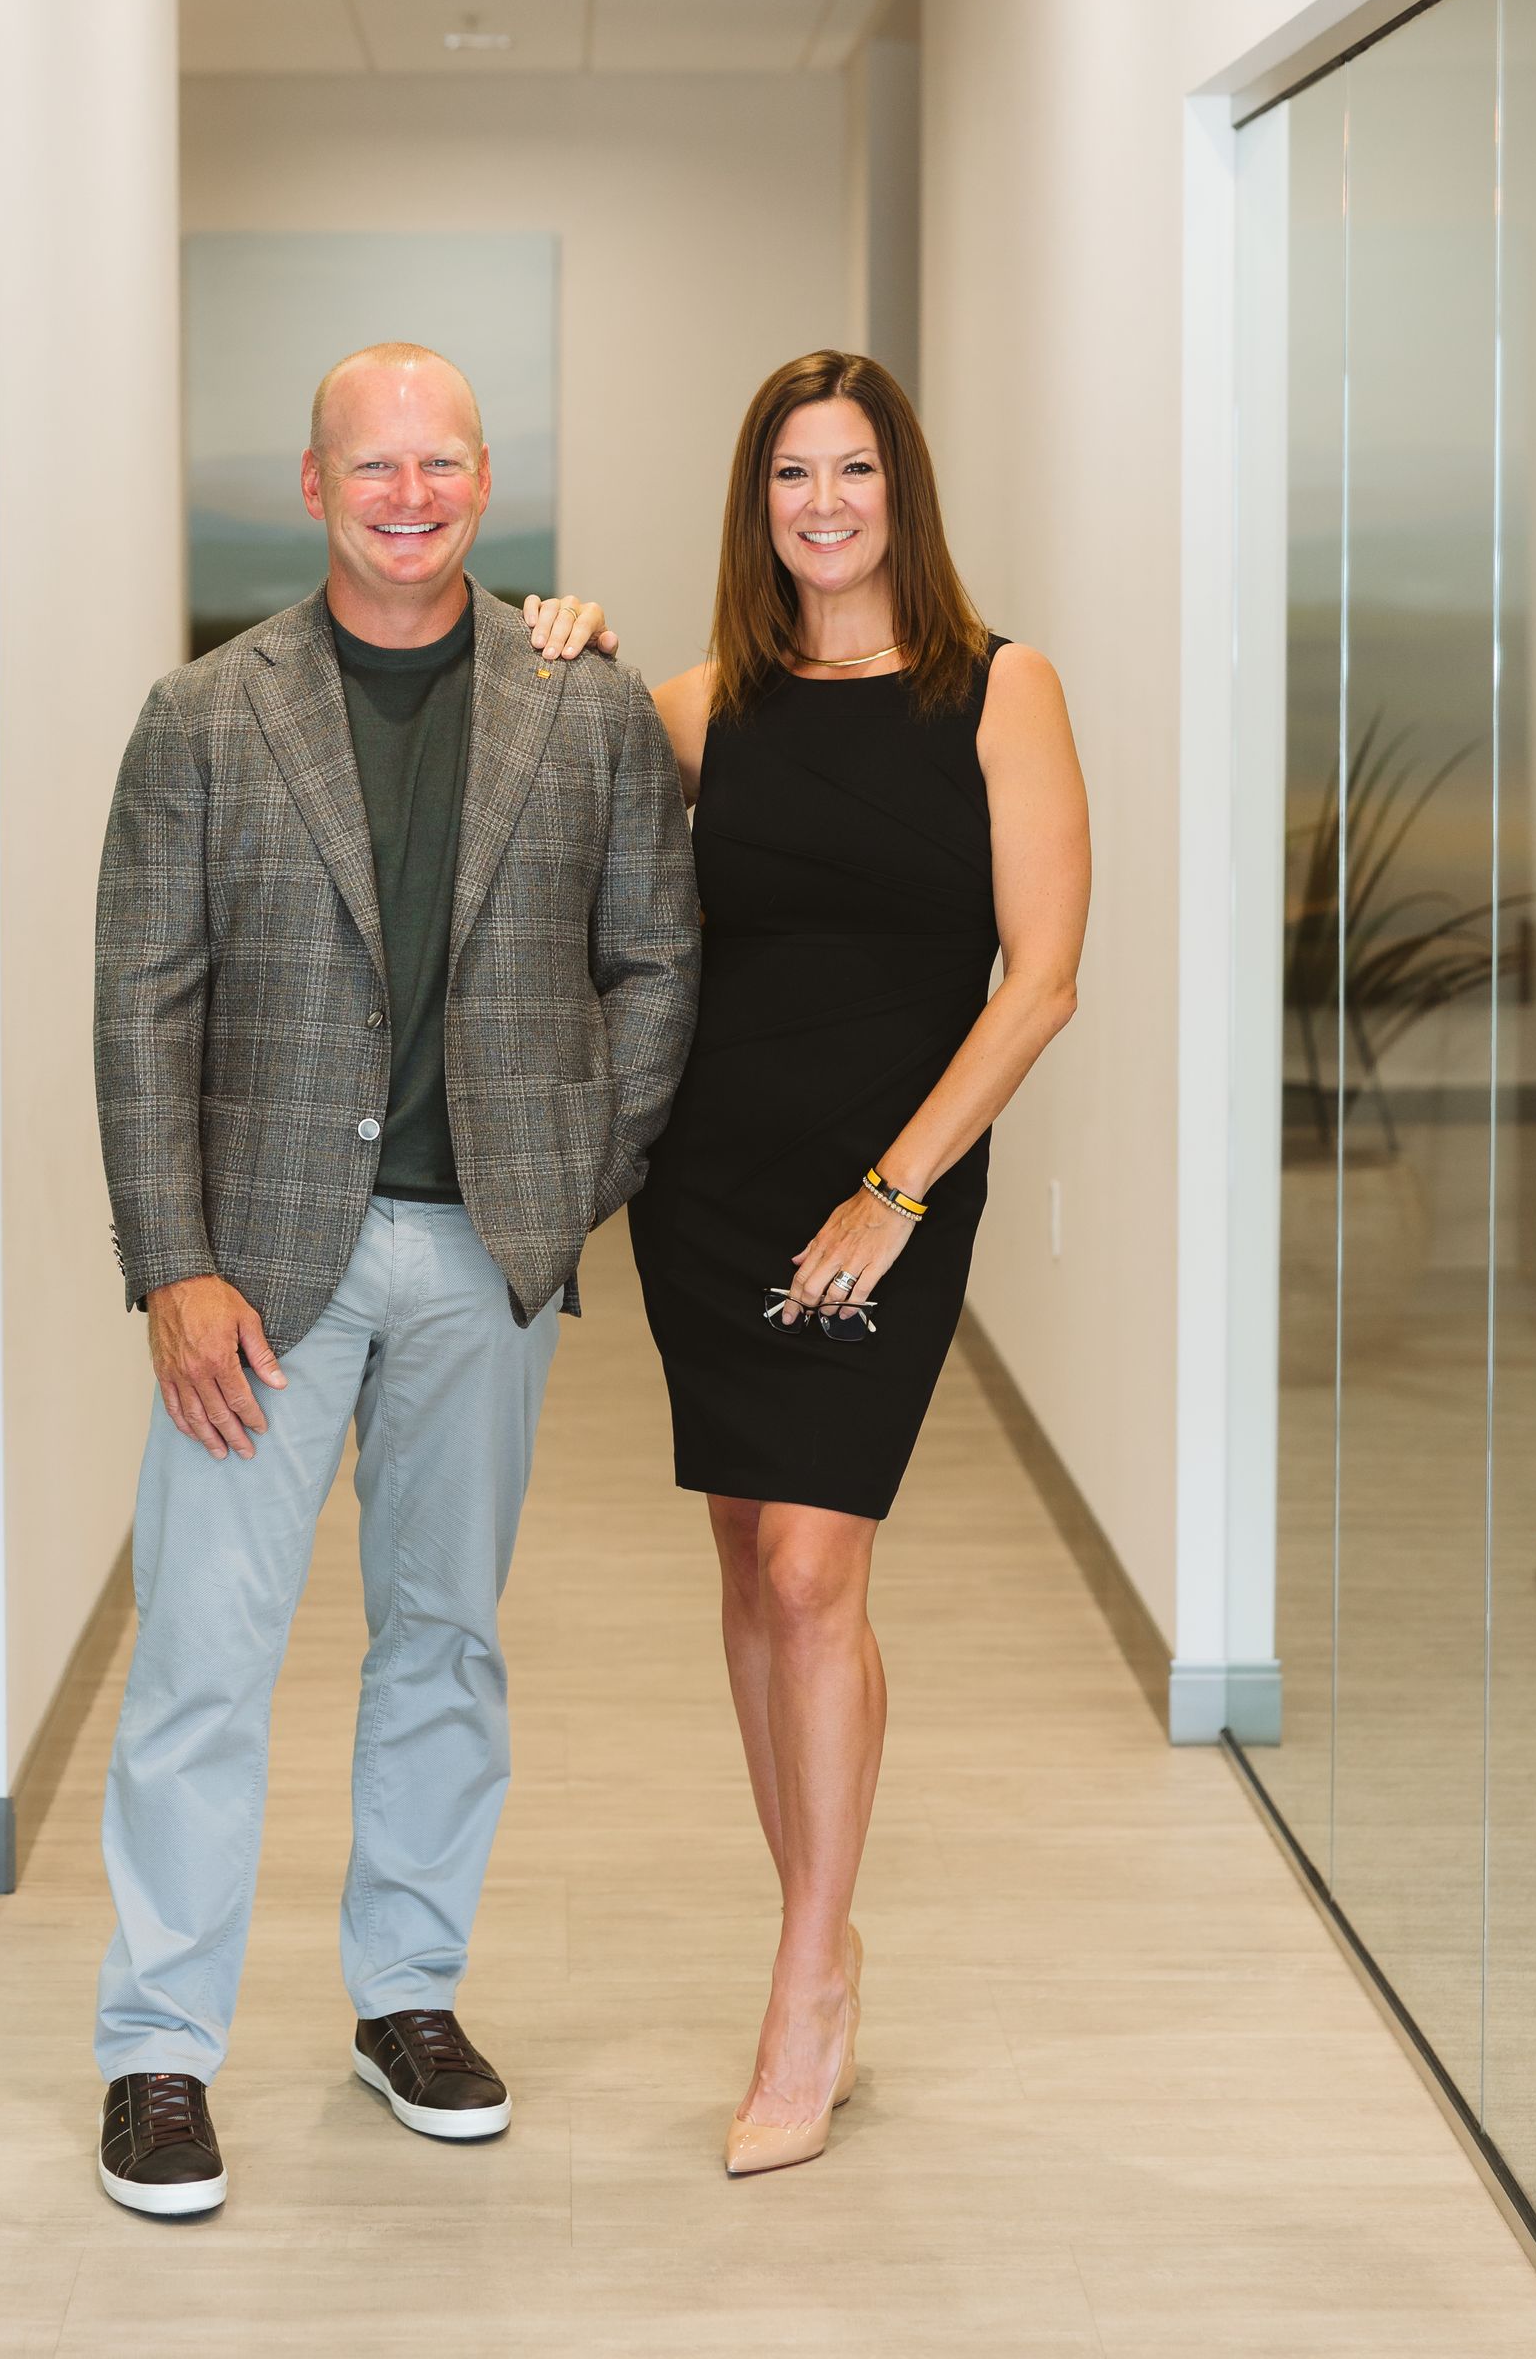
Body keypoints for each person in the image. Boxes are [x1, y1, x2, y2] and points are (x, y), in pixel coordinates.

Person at [90, 341, 700, 2216]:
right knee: (204, 1654)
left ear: (486, 477)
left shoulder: (580, 705)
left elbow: (657, 964)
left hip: (482, 1261)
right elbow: (141, 1005)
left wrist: (562, 1192)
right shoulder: (206, 713)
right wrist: (170, 1267)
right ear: (315, 482)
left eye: (444, 463)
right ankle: (157, 2053)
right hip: (258, 1277)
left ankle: (406, 2000)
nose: (412, 493)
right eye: (378, 464)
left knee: (446, 1642)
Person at [525, 349, 1089, 2177]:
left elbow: (1044, 980)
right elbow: (550, 747)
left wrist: (897, 1193)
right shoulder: (704, 707)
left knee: (810, 1560)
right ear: (756, 502)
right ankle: (822, 1928)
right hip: (716, 1185)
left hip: (888, 1192)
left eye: (853, 470)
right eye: (791, 474)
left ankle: (802, 1992)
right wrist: (567, 639)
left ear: (901, 492)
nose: (823, 504)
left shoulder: (1004, 695)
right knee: (749, 1571)